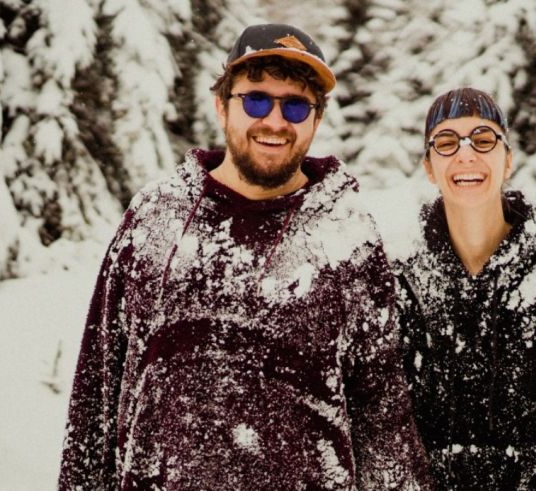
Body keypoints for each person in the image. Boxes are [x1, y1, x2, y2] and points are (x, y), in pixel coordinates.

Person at [58, 24, 430, 490]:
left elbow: (381, 418)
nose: (274, 121)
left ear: (316, 119)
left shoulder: (346, 236)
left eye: (295, 106)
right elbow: (96, 391)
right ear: (222, 105)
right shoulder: (155, 218)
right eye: (256, 101)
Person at [394, 87, 536, 489]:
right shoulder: (398, 272)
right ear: (429, 167)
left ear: (507, 160)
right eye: (446, 142)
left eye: (483, 139)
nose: (466, 153)